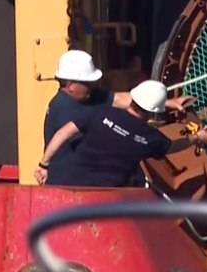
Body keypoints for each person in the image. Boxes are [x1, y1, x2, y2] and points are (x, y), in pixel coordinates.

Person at [43, 50, 193, 184]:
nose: (92, 87)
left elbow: (121, 99)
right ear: (71, 85)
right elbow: (68, 135)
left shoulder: (90, 97)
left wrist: (167, 102)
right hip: (72, 185)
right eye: (88, 83)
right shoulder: (62, 108)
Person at [35, 80, 207, 187]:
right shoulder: (149, 139)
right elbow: (172, 146)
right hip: (103, 200)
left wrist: (44, 165)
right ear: (153, 112)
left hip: (63, 185)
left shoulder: (99, 112)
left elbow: (62, 134)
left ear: (133, 98)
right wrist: (197, 137)